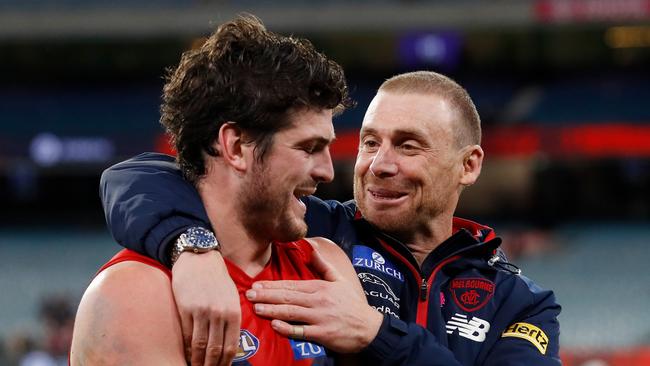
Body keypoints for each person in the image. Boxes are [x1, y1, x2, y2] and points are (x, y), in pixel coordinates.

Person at [100, 72, 562, 365]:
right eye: (369, 142)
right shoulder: (313, 230)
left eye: (408, 145)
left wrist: (376, 334)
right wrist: (192, 246)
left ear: (469, 165)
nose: (378, 164)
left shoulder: (520, 303)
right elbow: (135, 177)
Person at [70, 15, 370, 366]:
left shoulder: (325, 264)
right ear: (236, 146)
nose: (327, 171)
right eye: (308, 148)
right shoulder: (136, 293)